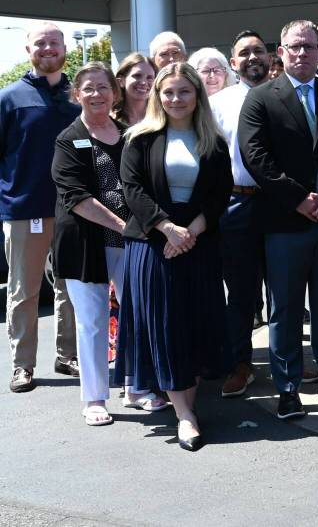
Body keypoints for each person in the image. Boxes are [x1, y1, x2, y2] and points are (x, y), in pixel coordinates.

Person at [116, 62, 233, 451]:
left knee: (195, 325)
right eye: (168, 92)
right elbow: (132, 190)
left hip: (199, 243)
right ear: (157, 96)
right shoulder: (139, 138)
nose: (176, 99)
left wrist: (190, 232)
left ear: (197, 95)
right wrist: (167, 228)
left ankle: (188, 404)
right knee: (164, 327)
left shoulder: (213, 142)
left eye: (184, 91)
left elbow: (220, 193)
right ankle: (184, 414)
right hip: (152, 244)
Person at [52, 63, 168, 425]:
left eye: (103, 87)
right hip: (85, 244)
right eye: (88, 88)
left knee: (136, 314)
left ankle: (136, 387)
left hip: (131, 242)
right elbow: (76, 198)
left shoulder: (128, 134)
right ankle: (94, 399)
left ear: (114, 93)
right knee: (93, 321)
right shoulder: (69, 139)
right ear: (76, 95)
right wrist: (124, 226)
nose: (96, 94)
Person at [238, 20, 318, 420]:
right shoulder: (261, 97)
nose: (302, 53)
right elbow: (256, 156)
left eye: (309, 46)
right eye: (294, 47)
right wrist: (299, 199)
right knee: (285, 311)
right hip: (284, 222)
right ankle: (288, 388)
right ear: (280, 52)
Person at [1, 23, 80, 393]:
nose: (48, 48)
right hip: (25, 211)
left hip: (75, 209)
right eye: (40, 43)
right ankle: (23, 364)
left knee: (72, 288)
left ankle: (68, 356)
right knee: (24, 291)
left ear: (64, 48)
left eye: (54, 43)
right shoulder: (9, 98)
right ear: (28, 49)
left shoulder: (78, 95)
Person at [210, 30, 271, 398]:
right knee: (241, 292)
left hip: (281, 205)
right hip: (236, 204)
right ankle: (240, 363)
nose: (252, 57)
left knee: (286, 290)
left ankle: (290, 361)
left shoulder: (285, 96)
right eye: (244, 53)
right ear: (233, 63)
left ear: (270, 57)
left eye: (258, 51)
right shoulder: (218, 104)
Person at [112, 53, 157, 126]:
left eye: (149, 78)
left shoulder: (162, 117)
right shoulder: (110, 119)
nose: (144, 82)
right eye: (137, 76)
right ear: (121, 81)